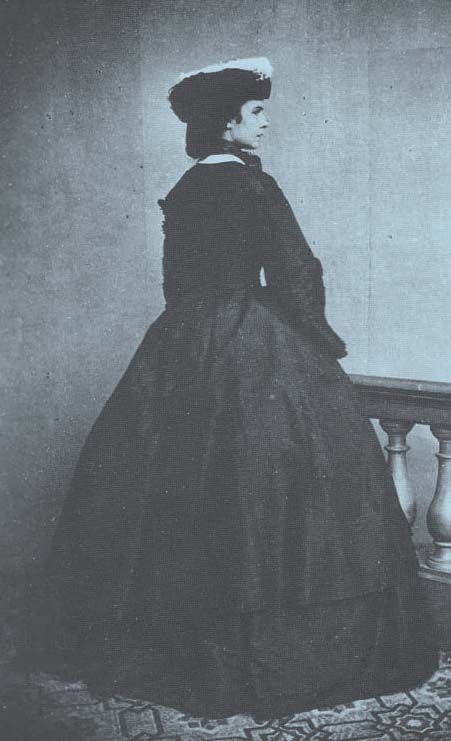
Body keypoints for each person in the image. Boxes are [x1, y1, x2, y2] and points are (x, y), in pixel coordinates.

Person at [42, 57, 438, 719]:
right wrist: (315, 341)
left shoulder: (185, 189)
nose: (265, 122)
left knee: (180, 489)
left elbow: (176, 284)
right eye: (256, 112)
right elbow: (296, 272)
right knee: (274, 489)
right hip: (253, 339)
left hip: (182, 340)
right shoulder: (253, 184)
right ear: (227, 123)